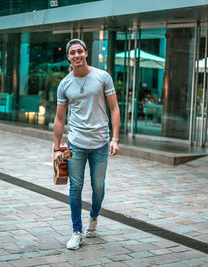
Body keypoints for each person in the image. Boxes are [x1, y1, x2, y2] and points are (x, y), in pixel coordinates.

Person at [53, 39, 120, 250]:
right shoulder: (64, 84)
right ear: (68, 57)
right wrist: (56, 148)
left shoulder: (102, 77)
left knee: (98, 187)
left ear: (86, 53)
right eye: (72, 53)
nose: (76, 55)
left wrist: (115, 138)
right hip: (76, 144)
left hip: (100, 143)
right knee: (75, 187)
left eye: (79, 51)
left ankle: (94, 216)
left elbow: (115, 109)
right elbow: (59, 119)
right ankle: (76, 231)